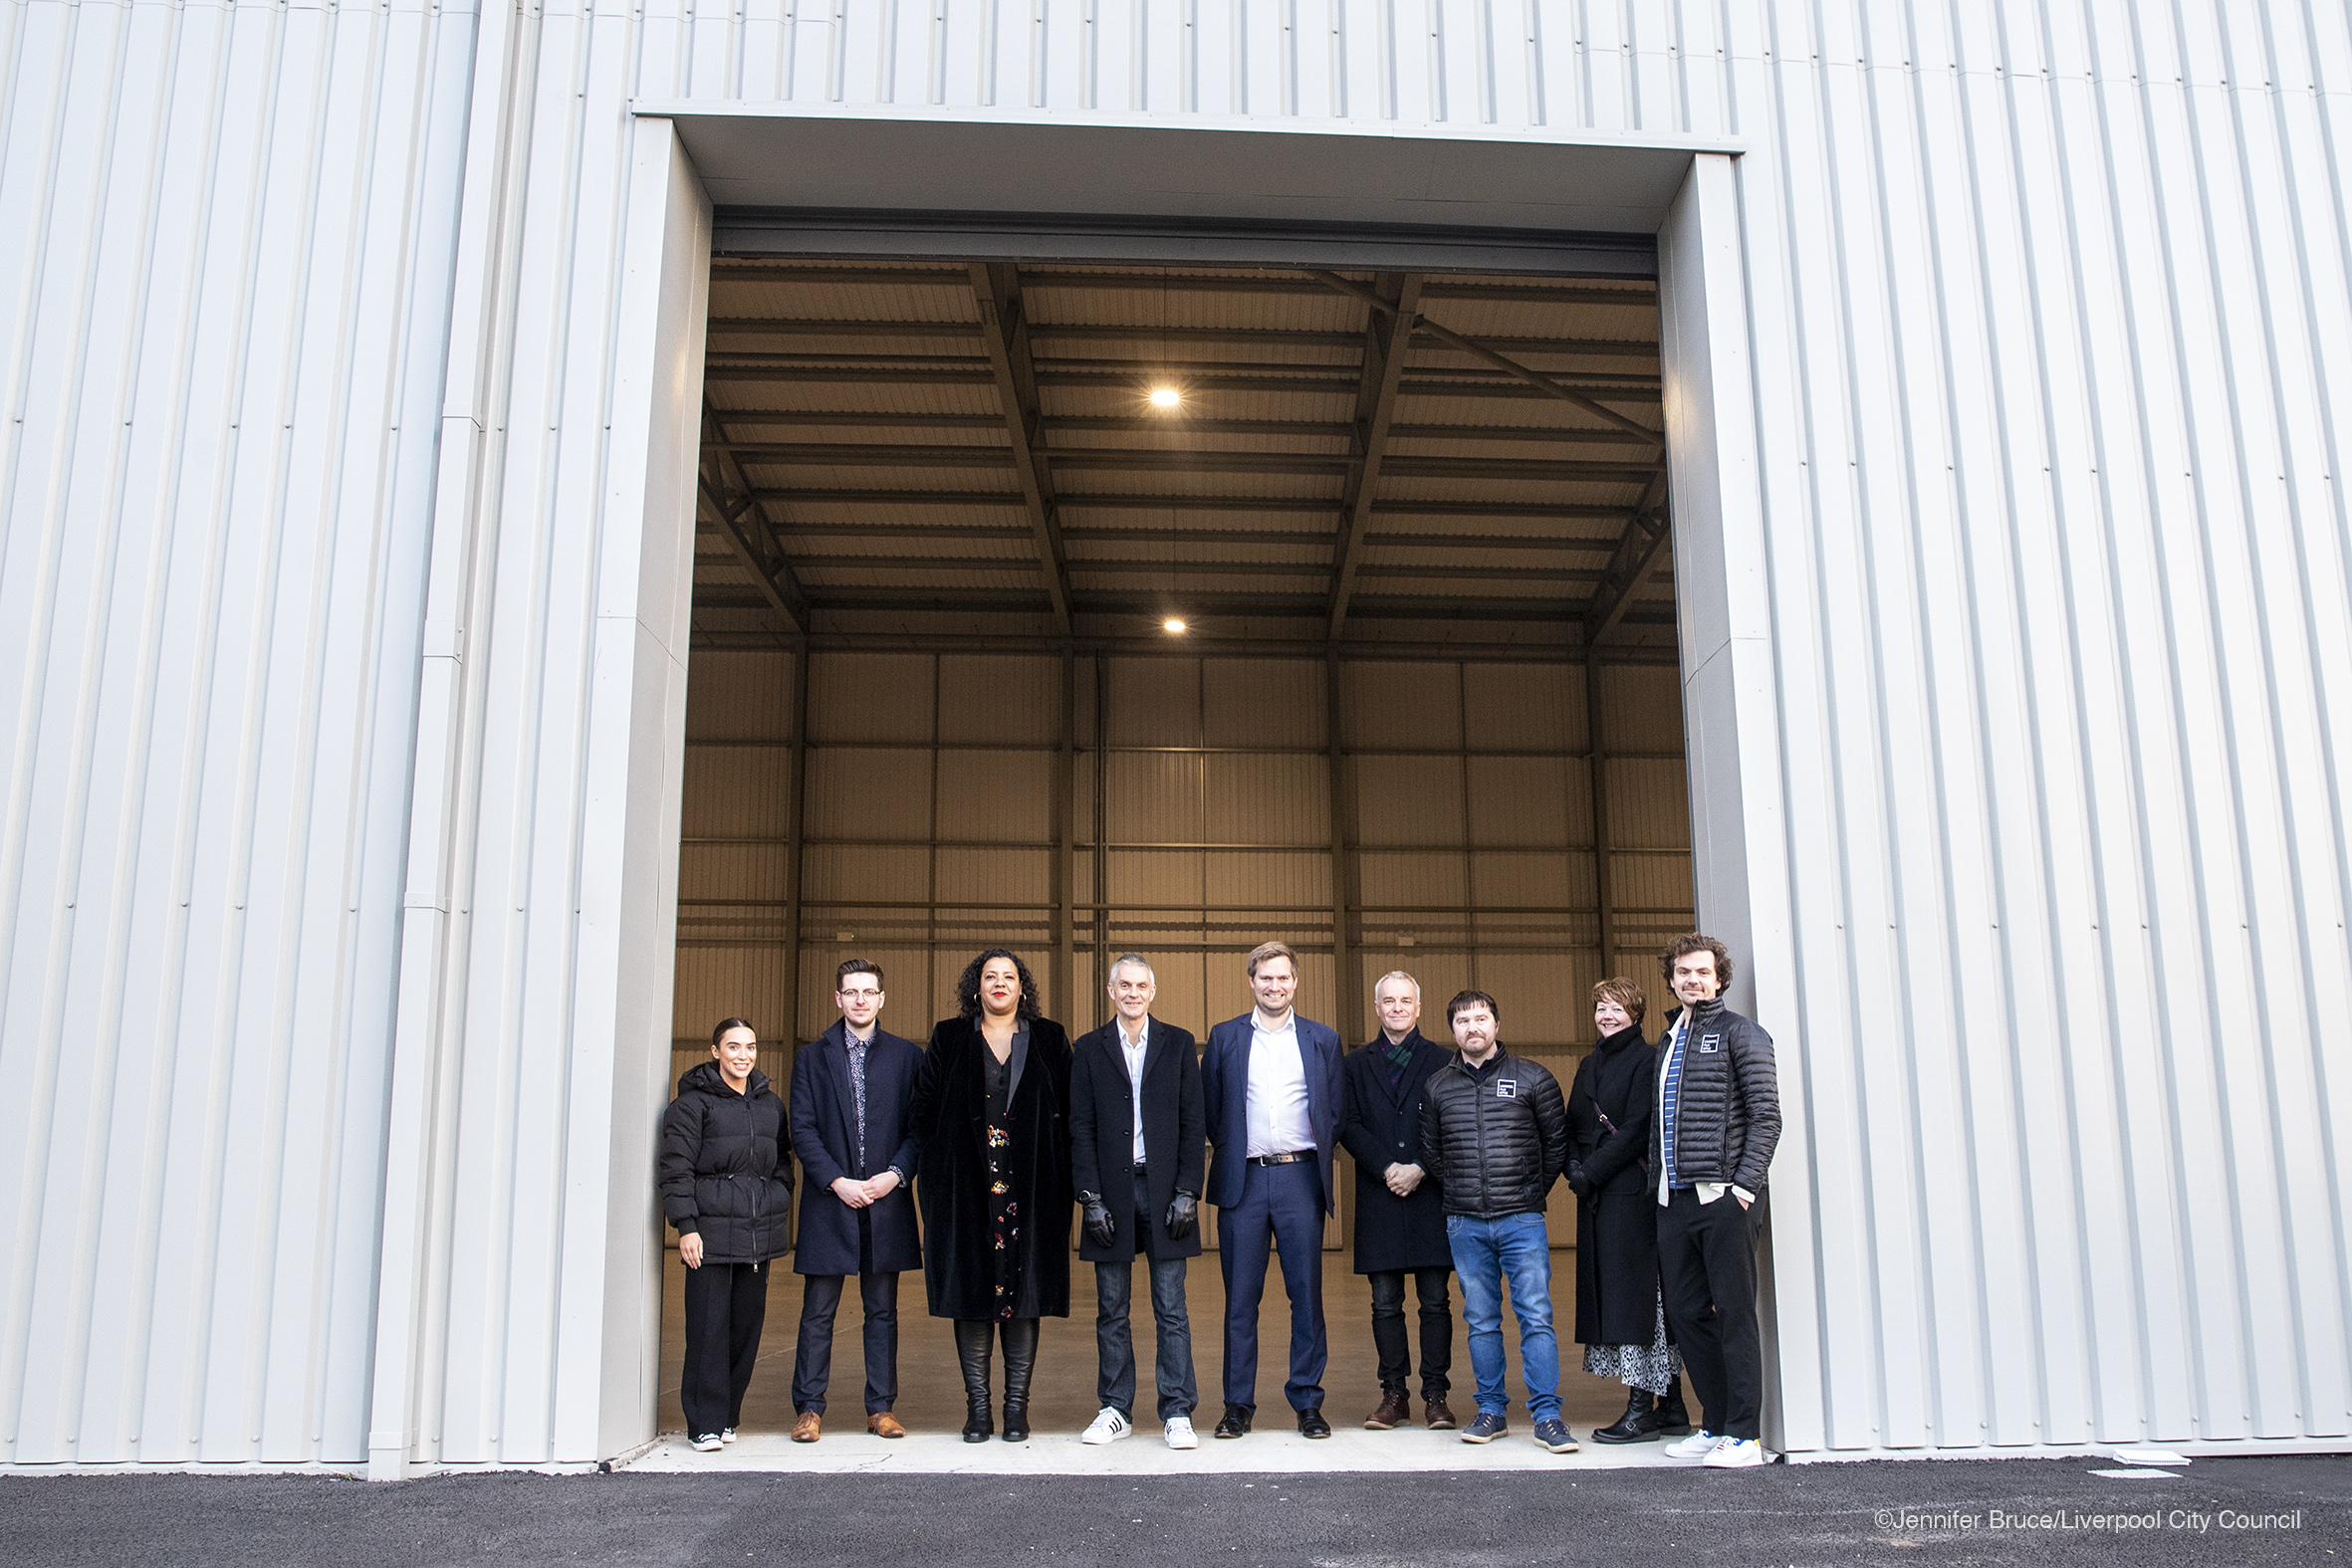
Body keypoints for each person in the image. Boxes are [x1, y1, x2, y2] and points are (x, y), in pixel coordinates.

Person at [911, 949, 1072, 1443]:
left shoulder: (1049, 1038)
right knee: (972, 1293)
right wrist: (936, 1177)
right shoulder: (948, 1037)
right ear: (976, 987)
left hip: (1033, 1188)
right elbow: (922, 1112)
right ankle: (978, 1410)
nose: (999, 983)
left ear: (1022, 987)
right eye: (990, 976)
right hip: (965, 1188)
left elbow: (1072, 1112)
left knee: (1025, 1295)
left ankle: (1016, 1409)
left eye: (1009, 976)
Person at [1418, 990, 1576, 1454]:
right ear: (1453, 1030)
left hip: (1521, 1219)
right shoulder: (1437, 1087)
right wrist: (1462, 1191)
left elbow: (1556, 1145)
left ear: (1496, 1025)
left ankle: (1547, 1416)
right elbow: (1432, 1152)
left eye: (1481, 1018)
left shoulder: (1534, 1078)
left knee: (1536, 1317)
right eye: (1463, 1021)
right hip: (1465, 1222)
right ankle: (1490, 1411)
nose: (1473, 1027)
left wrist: (1527, 1193)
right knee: (1481, 1320)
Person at [1200, 940, 1344, 1440]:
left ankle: (1308, 1402)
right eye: (1266, 977)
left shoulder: (1323, 1039)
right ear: (1251, 982)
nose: (1275, 986)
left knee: (1306, 1296)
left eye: (1283, 977)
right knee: (1241, 1300)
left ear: (1295, 982)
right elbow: (1212, 1109)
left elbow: (1335, 1112)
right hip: (1243, 1181)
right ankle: (1237, 1406)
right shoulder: (1225, 1037)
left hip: (1300, 1179)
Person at [1650, 933, 1781, 1468]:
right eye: (1683, 972)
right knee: (1685, 1313)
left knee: (1733, 1314)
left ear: (1720, 978)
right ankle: (1716, 1424)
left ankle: (1745, 1437)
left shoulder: (1742, 1034)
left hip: (1725, 1198)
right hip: (1674, 1200)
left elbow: (1766, 1116)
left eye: (1703, 972)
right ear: (1672, 979)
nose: (1693, 980)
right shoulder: (1668, 1041)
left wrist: (1743, 1188)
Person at [1070, 954, 1207, 1450]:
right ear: (1112, 991)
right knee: (1112, 1309)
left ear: (1153, 991)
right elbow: (1080, 1127)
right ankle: (1115, 1409)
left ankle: (1177, 1411)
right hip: (1110, 1193)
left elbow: (1193, 1122)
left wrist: (1188, 1191)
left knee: (1171, 1308)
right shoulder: (1089, 1048)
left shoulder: (1178, 1044)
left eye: (1140, 986)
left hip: (1166, 1189)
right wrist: (1090, 1198)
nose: (1132, 993)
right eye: (1124, 985)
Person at [787, 959, 922, 1442]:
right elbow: (802, 1129)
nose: (860, 1000)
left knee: (882, 1312)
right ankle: (809, 1409)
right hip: (831, 1202)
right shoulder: (811, 1058)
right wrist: (835, 1181)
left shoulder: (907, 1057)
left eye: (868, 992)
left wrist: (895, 1175)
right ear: (838, 999)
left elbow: (918, 1128)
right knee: (818, 1312)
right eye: (851, 992)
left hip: (886, 1201)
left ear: (882, 999)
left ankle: (881, 1409)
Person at [1565, 977, 1692, 1444]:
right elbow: (1573, 1123)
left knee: (1641, 1301)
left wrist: (1591, 1171)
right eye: (1601, 1007)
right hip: (1597, 1198)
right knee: (1621, 1298)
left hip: (1632, 1194)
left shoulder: (1647, 1058)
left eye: (1616, 1008)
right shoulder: (1589, 1062)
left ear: (1635, 1014)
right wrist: (1573, 1167)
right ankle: (1672, 1407)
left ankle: (1641, 1411)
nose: (1607, 1015)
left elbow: (1641, 1127)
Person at [658, 1017, 794, 1452]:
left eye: (750, 1047)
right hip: (710, 1235)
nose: (743, 1055)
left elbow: (782, 1161)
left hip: (757, 1235)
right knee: (708, 1332)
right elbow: (676, 1169)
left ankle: (728, 1416)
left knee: (744, 1332)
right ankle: (704, 1424)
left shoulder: (770, 1105)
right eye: (733, 1047)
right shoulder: (691, 1106)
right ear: (715, 1051)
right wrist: (686, 1226)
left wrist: (777, 1195)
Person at [1337, 971, 1456, 1432]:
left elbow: (1451, 1122)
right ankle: (1394, 1394)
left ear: (1418, 1007)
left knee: (1435, 1301)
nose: (1398, 1008)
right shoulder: (1354, 1064)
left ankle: (1436, 1396)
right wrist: (1387, 1167)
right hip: (1379, 1192)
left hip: (1430, 1194)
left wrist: (1421, 1167)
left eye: (1406, 1000)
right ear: (1377, 1007)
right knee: (1384, 1303)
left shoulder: (1444, 1060)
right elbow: (1347, 1124)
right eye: (1389, 1001)